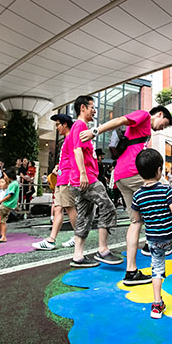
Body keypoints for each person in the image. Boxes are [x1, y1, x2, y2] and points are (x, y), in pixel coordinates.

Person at [79, 102, 172, 282]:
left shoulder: (144, 131)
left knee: (136, 220)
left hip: (121, 176)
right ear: (160, 114)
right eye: (165, 124)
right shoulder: (145, 116)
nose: (162, 128)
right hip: (135, 172)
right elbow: (120, 120)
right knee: (168, 193)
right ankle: (158, 243)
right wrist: (95, 132)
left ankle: (131, 271)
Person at [130, 149, 172, 318]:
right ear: (159, 170)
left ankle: (157, 304)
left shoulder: (137, 195)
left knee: (157, 269)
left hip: (154, 241)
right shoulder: (166, 190)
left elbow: (137, 219)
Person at [69, 95, 122, 268]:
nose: (94, 111)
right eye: (92, 107)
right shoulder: (80, 125)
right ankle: (103, 250)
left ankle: (78, 256)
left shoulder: (79, 127)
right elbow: (77, 150)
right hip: (87, 179)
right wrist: (83, 174)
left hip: (79, 181)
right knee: (108, 206)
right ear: (82, 108)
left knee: (84, 216)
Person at [33, 113, 77, 250]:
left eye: (58, 124)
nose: (56, 127)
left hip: (66, 179)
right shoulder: (66, 140)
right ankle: (51, 240)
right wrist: (59, 167)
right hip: (62, 178)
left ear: (65, 124)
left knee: (69, 208)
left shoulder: (71, 139)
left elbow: (76, 158)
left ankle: (78, 236)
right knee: (58, 208)